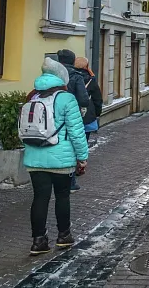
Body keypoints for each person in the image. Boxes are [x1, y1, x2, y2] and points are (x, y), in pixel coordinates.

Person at [24, 57, 88, 256]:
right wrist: (82, 157)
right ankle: (64, 236)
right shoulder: (66, 98)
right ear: (62, 78)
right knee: (62, 196)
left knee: (39, 198)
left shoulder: (32, 96)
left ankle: (38, 241)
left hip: (35, 158)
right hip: (61, 159)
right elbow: (77, 132)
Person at [69, 57, 103, 190]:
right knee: (83, 142)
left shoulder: (68, 77)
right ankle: (80, 166)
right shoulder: (91, 79)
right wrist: (97, 113)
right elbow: (97, 99)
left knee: (71, 143)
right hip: (86, 116)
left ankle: (72, 170)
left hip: (71, 115)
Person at [57, 49, 89, 191]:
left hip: (53, 113)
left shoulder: (52, 75)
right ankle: (70, 183)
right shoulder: (76, 76)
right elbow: (83, 99)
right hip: (71, 113)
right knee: (70, 144)